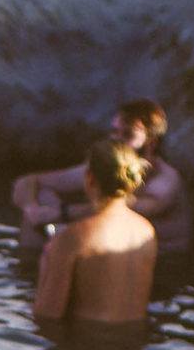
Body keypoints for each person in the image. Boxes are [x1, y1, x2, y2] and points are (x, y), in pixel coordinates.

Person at [12, 100, 192, 254]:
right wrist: (33, 210)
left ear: (151, 143)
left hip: (162, 262)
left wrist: (60, 213)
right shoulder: (105, 166)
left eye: (127, 135)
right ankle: (27, 271)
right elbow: (27, 181)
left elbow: (119, 209)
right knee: (40, 196)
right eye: (114, 132)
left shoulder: (166, 180)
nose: (117, 140)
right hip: (113, 251)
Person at [32, 140, 157, 329]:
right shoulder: (147, 231)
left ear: (90, 179)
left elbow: (47, 317)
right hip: (131, 347)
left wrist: (45, 266)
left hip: (86, 347)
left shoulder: (74, 238)